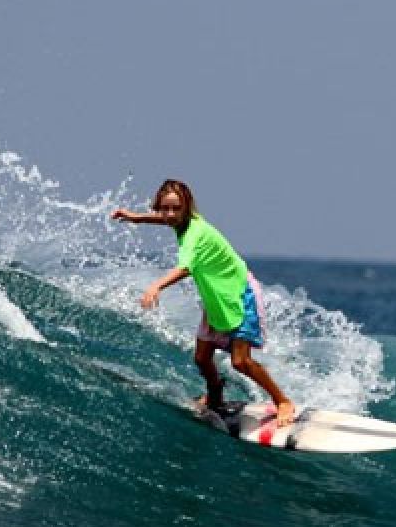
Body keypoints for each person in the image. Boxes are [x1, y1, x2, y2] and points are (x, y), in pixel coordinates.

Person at [111, 180, 296, 426]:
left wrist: (156, 286)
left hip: (240, 293)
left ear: (187, 208)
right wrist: (138, 218)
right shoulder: (182, 222)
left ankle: (283, 401)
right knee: (202, 357)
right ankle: (216, 397)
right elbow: (166, 219)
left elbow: (185, 267)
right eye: (164, 208)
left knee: (241, 361)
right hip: (216, 297)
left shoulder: (194, 235)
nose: (169, 214)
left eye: (175, 209)